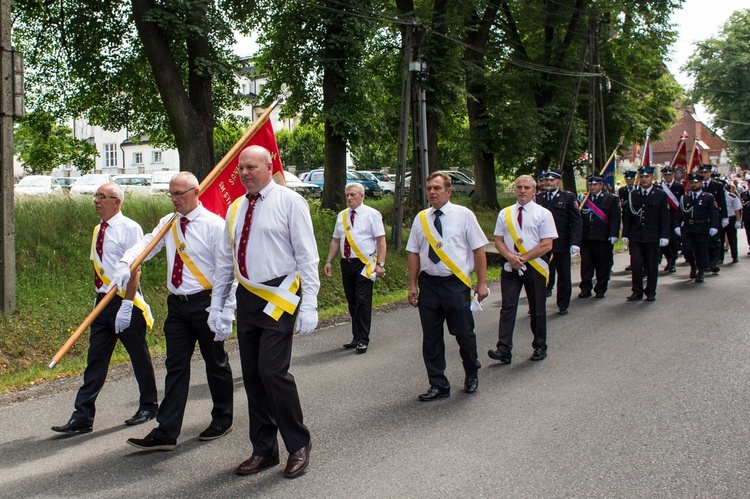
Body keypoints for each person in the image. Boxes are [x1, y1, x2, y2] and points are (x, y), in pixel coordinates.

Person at [209, 145, 318, 479]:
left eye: (251, 167)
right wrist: (219, 305)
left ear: (269, 167)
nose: (244, 173)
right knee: (254, 377)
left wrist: (310, 301)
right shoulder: (236, 208)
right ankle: (264, 449)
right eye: (241, 168)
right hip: (248, 298)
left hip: (279, 297)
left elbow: (306, 255)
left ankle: (298, 444)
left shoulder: (289, 202)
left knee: (273, 371)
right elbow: (226, 262)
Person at [112, 172, 235, 451]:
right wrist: (125, 261)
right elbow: (146, 244)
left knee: (215, 362)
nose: (174, 199)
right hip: (177, 305)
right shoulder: (169, 223)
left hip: (207, 303)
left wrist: (227, 309)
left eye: (179, 194)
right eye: (171, 194)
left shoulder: (215, 225)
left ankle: (222, 418)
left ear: (195, 192)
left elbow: (228, 271)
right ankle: (166, 432)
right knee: (175, 367)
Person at [52, 183, 158, 435]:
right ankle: (83, 415)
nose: (97, 201)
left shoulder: (129, 227)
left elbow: (135, 268)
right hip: (102, 302)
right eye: (96, 196)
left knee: (138, 355)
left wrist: (128, 304)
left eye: (103, 197)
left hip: (125, 301)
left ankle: (148, 405)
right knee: (95, 359)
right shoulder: (98, 229)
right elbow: (99, 268)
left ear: (117, 202)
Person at [406, 172, 489, 401]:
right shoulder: (421, 218)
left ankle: (472, 372)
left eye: (437, 188)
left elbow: (479, 249)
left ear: (449, 191)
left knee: (463, 332)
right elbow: (413, 252)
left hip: (455, 284)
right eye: (429, 188)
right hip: (429, 284)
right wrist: (412, 284)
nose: (432, 192)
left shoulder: (464, 215)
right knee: (431, 337)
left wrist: (481, 283)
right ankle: (438, 383)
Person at [489, 175, 557, 364]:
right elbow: (498, 240)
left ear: (534, 191)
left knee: (537, 309)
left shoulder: (543, 214)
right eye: (519, 187)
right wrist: (511, 257)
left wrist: (524, 258)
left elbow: (547, 244)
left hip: (534, 266)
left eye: (527, 187)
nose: (522, 190)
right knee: (508, 307)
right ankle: (503, 349)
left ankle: (540, 346)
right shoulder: (505, 213)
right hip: (511, 267)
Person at [323, 183, 386, 354]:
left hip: (364, 264)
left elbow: (380, 240)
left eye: (353, 195)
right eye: (347, 195)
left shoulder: (372, 214)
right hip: (347, 263)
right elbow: (336, 240)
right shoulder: (342, 216)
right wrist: (329, 260)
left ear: (362, 196)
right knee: (352, 301)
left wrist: (380, 264)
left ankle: (363, 339)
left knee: (363, 301)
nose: (349, 198)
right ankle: (356, 337)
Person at [534, 169, 581, 315]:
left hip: (561, 242)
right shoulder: (538, 198)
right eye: (546, 180)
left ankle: (562, 304)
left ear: (558, 182)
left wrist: (575, 242)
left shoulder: (568, 197)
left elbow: (576, 221)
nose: (548, 182)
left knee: (564, 275)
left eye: (552, 180)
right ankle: (537, 304)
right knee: (539, 274)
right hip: (541, 244)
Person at [621, 166, 670, 301]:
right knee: (636, 264)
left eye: (647, 177)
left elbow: (664, 217)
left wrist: (665, 235)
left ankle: (651, 291)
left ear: (652, 178)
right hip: (636, 235)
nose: (644, 179)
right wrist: (625, 234)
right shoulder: (633, 195)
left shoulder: (660, 195)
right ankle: (637, 291)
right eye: (642, 177)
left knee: (651, 264)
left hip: (652, 236)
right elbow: (628, 216)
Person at [577, 175, 621, 299]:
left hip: (603, 238)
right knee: (586, 265)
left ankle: (601, 288)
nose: (592, 187)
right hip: (586, 238)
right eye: (590, 185)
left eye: (595, 184)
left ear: (601, 185)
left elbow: (615, 218)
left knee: (602, 265)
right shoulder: (583, 199)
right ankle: (585, 288)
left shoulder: (610, 199)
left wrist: (613, 234)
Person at [677, 173, 720, 282]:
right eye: (692, 182)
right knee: (686, 250)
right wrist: (677, 225)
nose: (694, 184)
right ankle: (693, 264)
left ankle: (700, 271)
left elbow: (714, 213)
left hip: (702, 227)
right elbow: (679, 213)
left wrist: (714, 226)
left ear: (701, 183)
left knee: (701, 250)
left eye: (696, 182)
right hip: (688, 228)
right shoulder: (684, 198)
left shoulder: (708, 197)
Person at [699, 164, 728, 272]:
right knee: (704, 241)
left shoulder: (717, 186)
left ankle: (715, 261)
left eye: (705, 172)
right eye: (701, 172)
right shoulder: (697, 185)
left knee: (715, 241)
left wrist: (725, 217)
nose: (703, 174)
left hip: (714, 217)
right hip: (701, 217)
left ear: (710, 173)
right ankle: (706, 262)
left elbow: (722, 202)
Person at [657, 166, 685, 272]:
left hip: (674, 218)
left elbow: (681, 204)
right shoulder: (660, 187)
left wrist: (682, 219)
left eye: (669, 174)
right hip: (662, 219)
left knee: (673, 241)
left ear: (673, 175)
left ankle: (672, 262)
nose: (667, 176)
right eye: (665, 175)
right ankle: (669, 258)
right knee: (663, 242)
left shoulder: (679, 187)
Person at [619, 170, 637, 272]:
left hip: (637, 217)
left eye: (630, 178)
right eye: (627, 178)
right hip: (626, 217)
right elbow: (622, 203)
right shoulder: (622, 190)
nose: (628, 180)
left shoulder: (637, 189)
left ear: (634, 179)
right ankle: (633, 261)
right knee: (630, 241)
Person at [722, 182, 742, 264]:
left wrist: (738, 221)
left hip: (731, 218)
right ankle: (720, 258)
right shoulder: (715, 197)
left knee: (732, 239)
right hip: (721, 218)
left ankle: (734, 256)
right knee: (719, 239)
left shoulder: (731, 196)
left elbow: (737, 209)